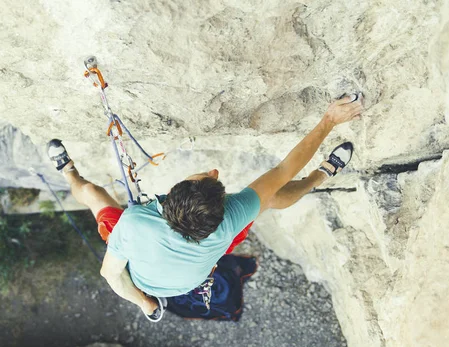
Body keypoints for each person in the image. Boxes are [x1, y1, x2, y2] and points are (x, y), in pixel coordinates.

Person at [47, 94, 363, 321]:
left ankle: (68, 174)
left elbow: (112, 276)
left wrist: (144, 304)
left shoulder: (134, 224)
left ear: (171, 193)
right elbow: (282, 172)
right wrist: (328, 122)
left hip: (148, 277)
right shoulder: (229, 219)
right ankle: (318, 178)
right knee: (270, 197)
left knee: (90, 192)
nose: (213, 171)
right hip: (187, 270)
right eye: (210, 176)